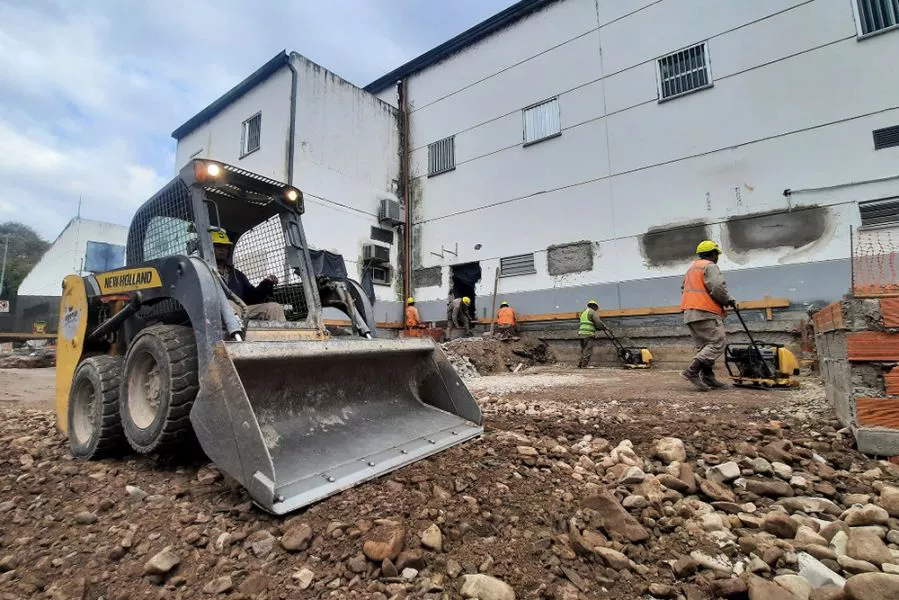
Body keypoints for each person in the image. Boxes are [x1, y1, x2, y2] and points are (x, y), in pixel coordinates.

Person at [680, 240, 735, 391]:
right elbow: (717, 286)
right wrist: (727, 299)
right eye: (717, 254)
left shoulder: (691, 269)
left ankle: (708, 377)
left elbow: (683, 288)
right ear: (713, 254)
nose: (717, 258)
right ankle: (691, 372)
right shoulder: (710, 266)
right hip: (705, 312)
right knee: (717, 342)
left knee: (704, 346)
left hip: (689, 312)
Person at [212, 230, 286, 322]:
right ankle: (235, 336)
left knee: (275, 308)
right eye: (218, 246)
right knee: (229, 304)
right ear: (209, 248)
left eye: (225, 247)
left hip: (241, 310)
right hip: (216, 314)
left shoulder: (237, 275)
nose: (223, 249)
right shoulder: (203, 272)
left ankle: (280, 336)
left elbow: (252, 298)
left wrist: (265, 284)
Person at [577, 300, 606, 368]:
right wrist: (603, 327)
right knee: (588, 349)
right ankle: (584, 365)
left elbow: (587, 322)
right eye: (596, 308)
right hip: (588, 334)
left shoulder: (583, 312)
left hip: (581, 334)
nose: (596, 309)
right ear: (594, 306)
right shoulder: (592, 312)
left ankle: (580, 364)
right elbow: (598, 322)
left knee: (584, 349)